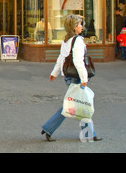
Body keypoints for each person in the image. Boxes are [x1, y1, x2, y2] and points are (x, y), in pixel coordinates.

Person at [41, 14, 102, 142]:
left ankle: (50, 128)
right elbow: (78, 61)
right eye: (79, 24)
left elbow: (61, 58)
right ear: (74, 27)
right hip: (76, 78)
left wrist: (55, 72)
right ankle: (88, 134)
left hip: (69, 76)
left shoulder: (66, 40)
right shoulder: (78, 40)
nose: (81, 26)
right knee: (81, 104)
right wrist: (84, 79)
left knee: (76, 104)